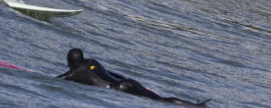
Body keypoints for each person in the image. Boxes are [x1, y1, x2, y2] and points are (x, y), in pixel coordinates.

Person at [57, 48, 208, 106]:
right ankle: (194, 106)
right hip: (127, 82)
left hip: (118, 89)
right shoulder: (92, 62)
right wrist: (133, 83)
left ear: (70, 61)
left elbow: (56, 80)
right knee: (161, 99)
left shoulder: (73, 73)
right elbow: (111, 74)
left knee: (161, 102)